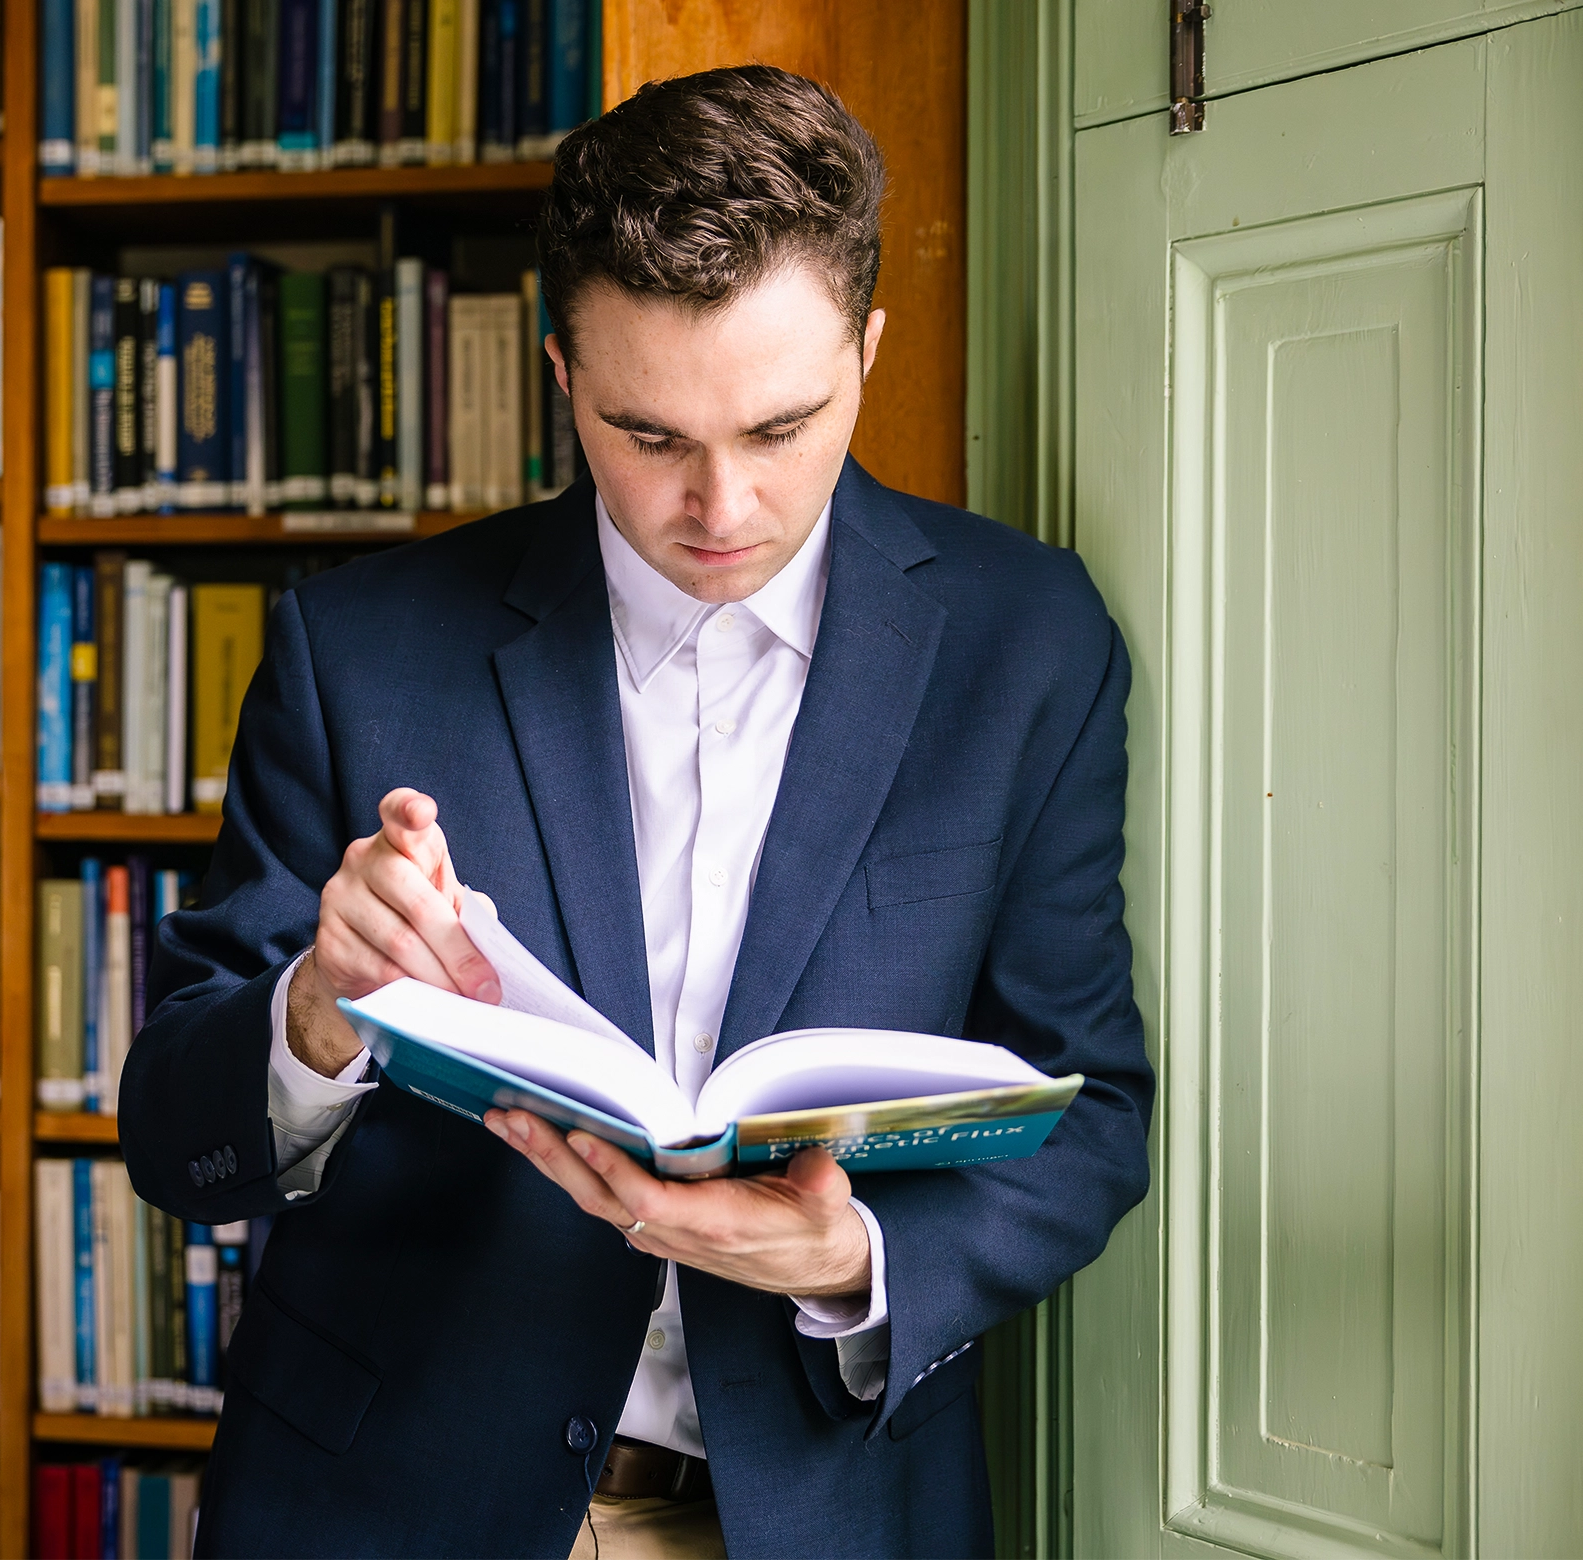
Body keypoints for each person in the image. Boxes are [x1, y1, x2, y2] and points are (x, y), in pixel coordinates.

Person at [118, 63, 1153, 1560]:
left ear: (868, 349)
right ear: (560, 376)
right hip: (390, 1505)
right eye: (650, 437)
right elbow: (173, 1134)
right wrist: (320, 1013)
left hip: (816, 1509)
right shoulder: (361, 650)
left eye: (783, 428)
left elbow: (1091, 1108)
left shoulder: (1027, 645)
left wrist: (856, 1252)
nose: (720, 506)